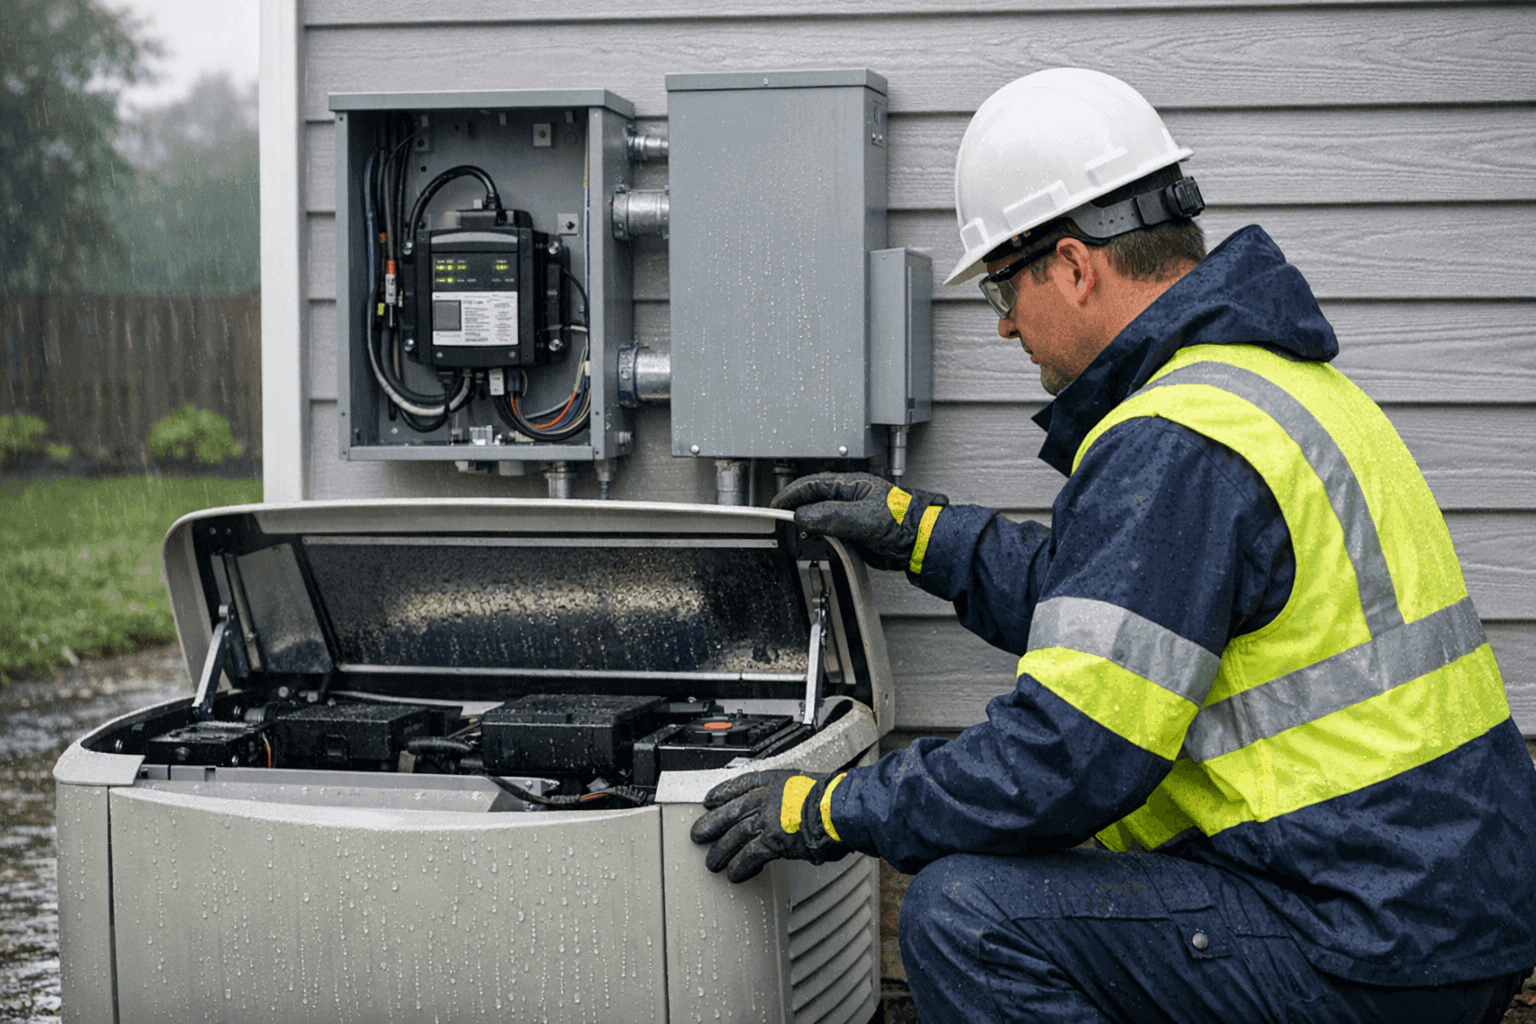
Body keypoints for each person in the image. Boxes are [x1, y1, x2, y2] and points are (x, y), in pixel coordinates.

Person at [691, 68, 1536, 1023]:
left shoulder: (1176, 440)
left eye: (1003, 291)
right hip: (1431, 905)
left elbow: (1063, 758)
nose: (1005, 323)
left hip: (1361, 944)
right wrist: (921, 533)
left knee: (968, 914)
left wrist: (828, 807)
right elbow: (1127, 615)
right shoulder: (1261, 387)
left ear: (1074, 265)